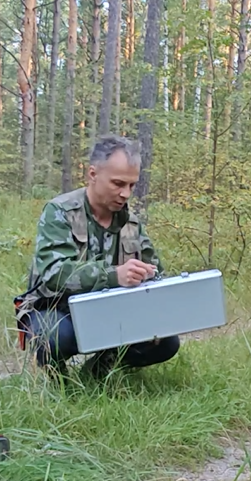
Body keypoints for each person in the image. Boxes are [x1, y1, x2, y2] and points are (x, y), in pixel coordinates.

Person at [14, 134, 180, 377]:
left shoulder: (131, 223)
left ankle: (100, 371)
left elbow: (156, 273)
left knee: (166, 342)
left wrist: (151, 284)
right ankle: (56, 380)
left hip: (112, 311)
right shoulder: (60, 212)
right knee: (54, 337)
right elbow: (54, 274)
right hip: (56, 309)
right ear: (93, 174)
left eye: (131, 186)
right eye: (118, 184)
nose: (126, 194)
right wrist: (114, 275)